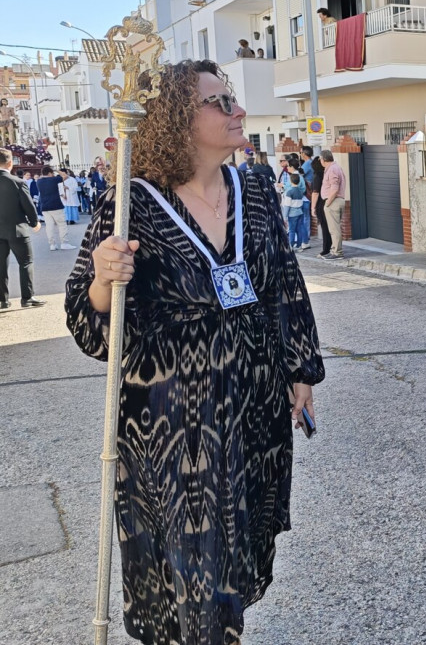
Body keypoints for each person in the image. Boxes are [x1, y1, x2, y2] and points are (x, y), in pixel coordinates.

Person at [65, 59, 324, 643]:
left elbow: (283, 284)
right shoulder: (130, 203)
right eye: (220, 102)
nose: (239, 110)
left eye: (233, 99)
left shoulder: (253, 189)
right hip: (175, 419)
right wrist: (104, 280)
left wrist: (300, 368)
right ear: (178, 119)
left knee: (235, 549)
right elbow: (88, 325)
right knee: (195, 557)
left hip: (254, 407)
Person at [0, 147, 44, 309]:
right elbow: (28, 205)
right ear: (10, 163)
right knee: (26, 262)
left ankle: (3, 300)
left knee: (0, 266)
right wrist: (34, 222)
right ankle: (27, 297)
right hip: (17, 229)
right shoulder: (17, 182)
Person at [35, 166, 71, 250]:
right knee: (62, 225)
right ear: (49, 173)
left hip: (44, 206)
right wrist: (56, 170)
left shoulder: (39, 181)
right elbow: (65, 176)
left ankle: (52, 244)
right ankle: (64, 243)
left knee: (49, 226)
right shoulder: (54, 179)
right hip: (56, 205)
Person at [319, 150, 346, 259]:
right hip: (335, 200)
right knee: (334, 228)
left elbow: (334, 188)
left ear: (324, 159)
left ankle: (337, 252)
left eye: (320, 159)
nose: (320, 161)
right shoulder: (334, 168)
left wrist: (327, 203)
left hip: (333, 201)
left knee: (334, 229)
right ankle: (334, 250)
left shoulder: (332, 169)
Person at [284, 173, 309, 251]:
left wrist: (285, 216)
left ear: (291, 181)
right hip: (300, 212)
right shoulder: (300, 191)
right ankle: (299, 246)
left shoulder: (289, 192)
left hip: (292, 214)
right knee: (299, 230)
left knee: (291, 230)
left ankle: (291, 246)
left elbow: (287, 205)